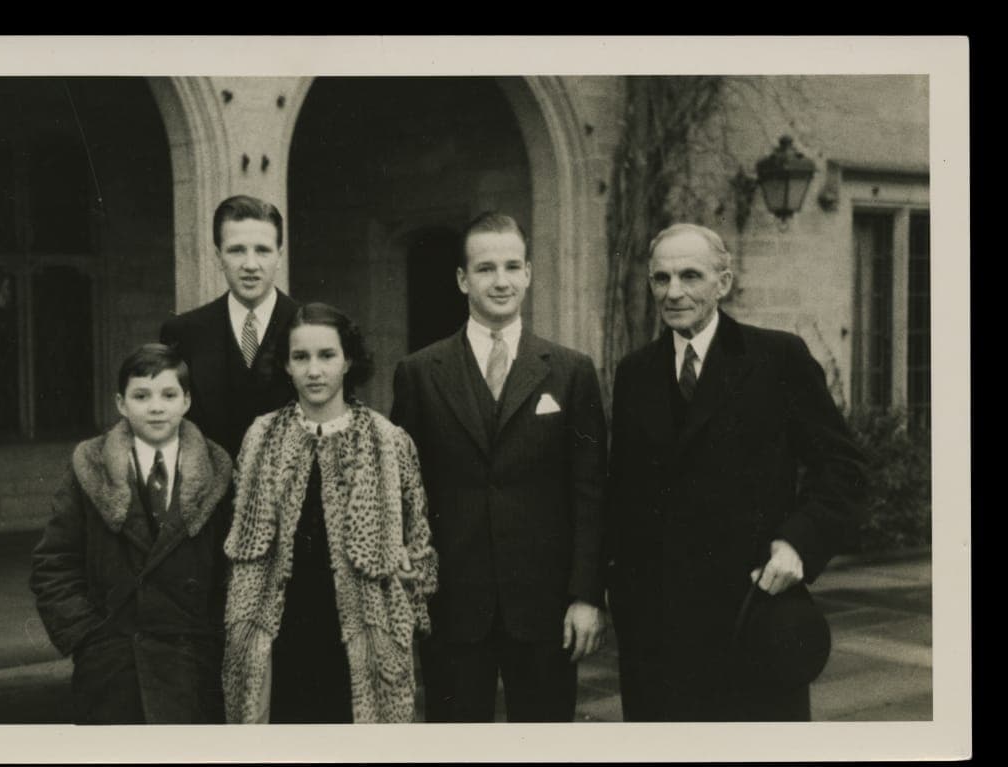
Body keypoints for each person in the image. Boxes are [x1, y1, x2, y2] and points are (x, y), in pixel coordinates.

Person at [606, 222, 867, 722]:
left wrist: (798, 544)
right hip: (658, 634)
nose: (674, 292)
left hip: (751, 615)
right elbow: (624, 492)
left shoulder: (777, 358)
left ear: (723, 283)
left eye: (690, 276)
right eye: (661, 279)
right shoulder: (634, 373)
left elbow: (844, 468)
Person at [390, 212, 608, 723]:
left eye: (513, 266)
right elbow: (405, 495)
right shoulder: (420, 373)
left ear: (529, 273)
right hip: (452, 608)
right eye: (486, 268)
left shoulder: (571, 371)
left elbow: (591, 491)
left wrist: (585, 596)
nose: (502, 280)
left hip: (545, 607)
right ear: (463, 279)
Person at [222, 302, 438, 723]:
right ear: (286, 365)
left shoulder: (388, 441)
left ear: (348, 360)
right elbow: (241, 540)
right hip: (280, 633)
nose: (314, 370)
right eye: (300, 357)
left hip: (361, 636)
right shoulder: (261, 436)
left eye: (327, 355)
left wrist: (405, 611)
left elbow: (419, 546)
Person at [30, 344, 234, 724]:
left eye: (169, 395)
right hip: (114, 667)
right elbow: (53, 563)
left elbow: (233, 567)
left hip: (192, 665)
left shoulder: (217, 473)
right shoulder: (89, 468)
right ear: (121, 404)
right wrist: (89, 640)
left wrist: (214, 636)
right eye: (141, 396)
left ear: (186, 401)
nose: (156, 407)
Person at [160, 195, 298, 460]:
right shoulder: (184, 333)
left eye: (263, 250)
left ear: (279, 256)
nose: (250, 265)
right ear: (218, 256)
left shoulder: (310, 328)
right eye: (236, 250)